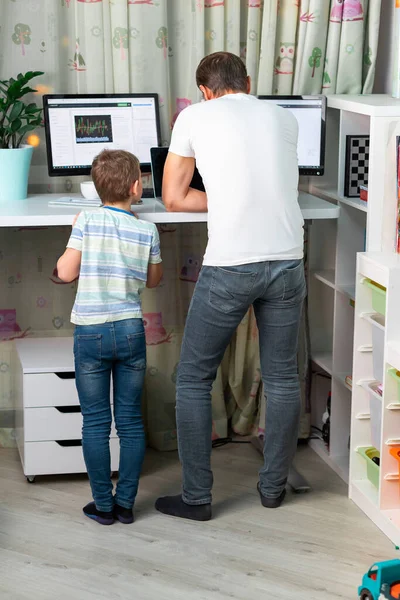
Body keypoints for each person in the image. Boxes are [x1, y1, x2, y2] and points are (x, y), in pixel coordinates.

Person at [155, 52, 306, 522]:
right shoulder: (283, 117)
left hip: (231, 265)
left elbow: (174, 197)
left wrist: (220, 200)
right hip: (288, 259)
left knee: (194, 376)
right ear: (247, 82)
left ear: (205, 90)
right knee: (282, 377)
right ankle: (273, 488)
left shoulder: (194, 116)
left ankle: (198, 498)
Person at [57, 150, 163, 526]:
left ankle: (103, 505)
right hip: (131, 331)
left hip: (91, 333)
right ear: (137, 187)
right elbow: (153, 281)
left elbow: (66, 272)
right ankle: (126, 504)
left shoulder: (86, 219)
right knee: (131, 422)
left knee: (96, 423)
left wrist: (76, 232)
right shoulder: (147, 229)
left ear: (95, 188)